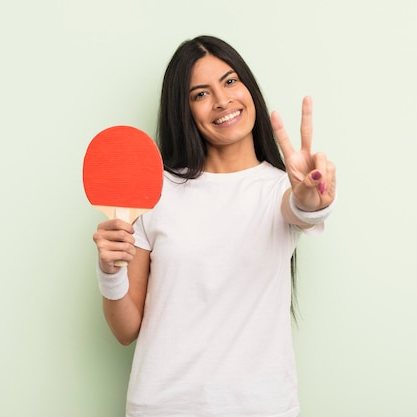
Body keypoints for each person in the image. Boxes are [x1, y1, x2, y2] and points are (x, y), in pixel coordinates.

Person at [92, 35, 336, 417]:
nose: (223, 101)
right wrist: (109, 270)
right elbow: (125, 330)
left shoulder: (280, 189)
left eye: (230, 81)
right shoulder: (154, 192)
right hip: (163, 406)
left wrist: (311, 200)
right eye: (200, 94)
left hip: (262, 406)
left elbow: (300, 209)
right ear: (183, 110)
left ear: (247, 87)